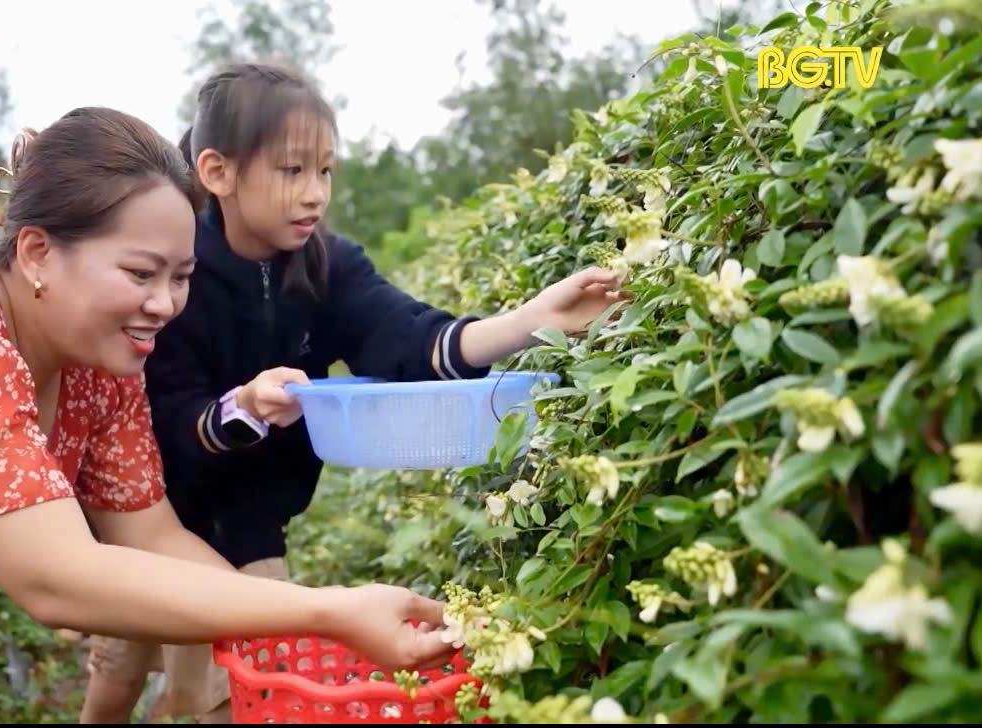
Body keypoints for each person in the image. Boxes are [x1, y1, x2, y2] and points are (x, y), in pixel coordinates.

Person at [0, 106, 455, 724]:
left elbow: (151, 535)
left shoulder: (97, 366)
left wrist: (303, 631)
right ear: (35, 252)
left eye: (182, 277)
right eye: (139, 273)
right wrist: (325, 614)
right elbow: (59, 579)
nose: (164, 304)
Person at [77, 64, 628, 724]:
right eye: (291, 172)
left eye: (325, 171)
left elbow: (410, 339)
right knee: (118, 672)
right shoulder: (175, 271)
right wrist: (241, 409)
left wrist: (531, 321)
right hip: (146, 514)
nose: (314, 194)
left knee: (232, 690)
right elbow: (167, 415)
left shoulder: (328, 267)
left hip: (250, 523)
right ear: (218, 172)